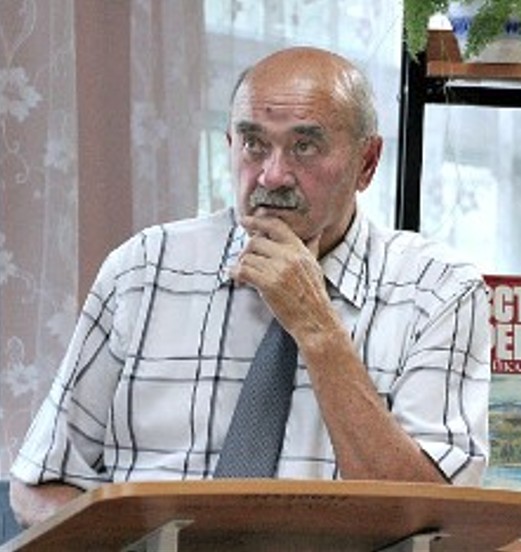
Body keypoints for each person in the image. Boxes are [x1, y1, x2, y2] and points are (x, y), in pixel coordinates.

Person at [10, 46, 490, 527]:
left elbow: (430, 519)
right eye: (254, 144)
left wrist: (318, 330)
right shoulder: (144, 268)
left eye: (305, 146)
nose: (272, 175)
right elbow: (40, 484)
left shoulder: (439, 291)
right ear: (230, 145)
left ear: (367, 162)